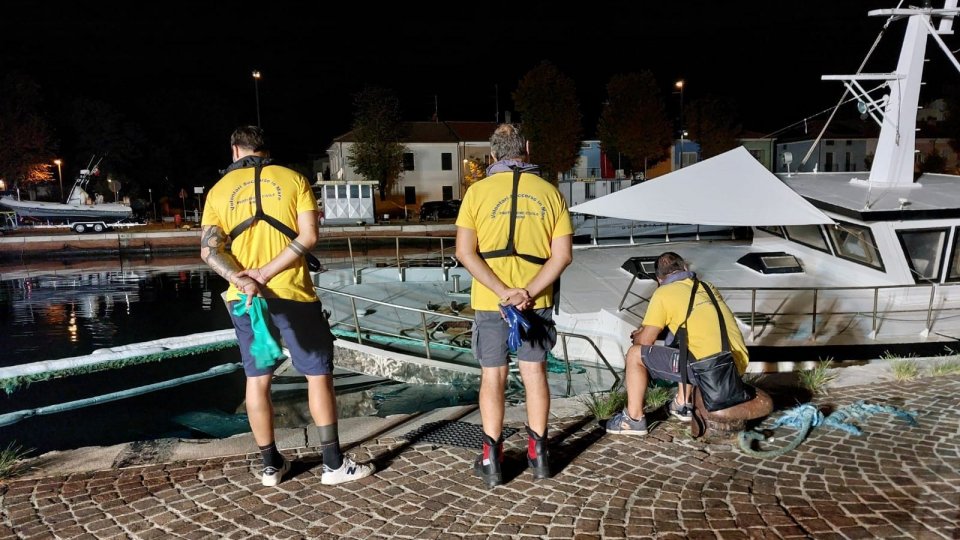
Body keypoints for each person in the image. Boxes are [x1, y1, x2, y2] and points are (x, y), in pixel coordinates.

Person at [200, 126, 374, 487]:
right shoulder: (294, 179)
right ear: (266, 149)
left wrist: (244, 279)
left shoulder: (218, 190)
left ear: (234, 150)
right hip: (293, 293)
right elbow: (308, 236)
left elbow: (210, 250)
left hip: (245, 300)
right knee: (317, 374)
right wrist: (266, 272)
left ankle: (270, 466)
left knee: (257, 379)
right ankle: (333, 464)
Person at [455, 123, 573, 487]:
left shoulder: (476, 193)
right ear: (527, 149)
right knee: (534, 372)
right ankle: (539, 454)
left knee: (493, 376)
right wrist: (528, 292)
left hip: (492, 302)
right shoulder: (551, 193)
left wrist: (504, 291)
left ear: (492, 155)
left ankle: (492, 458)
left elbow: (464, 252)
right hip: (535, 303)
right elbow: (563, 255)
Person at [606, 252, 750, 435]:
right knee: (683, 340)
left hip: (711, 371)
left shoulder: (663, 293)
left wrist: (639, 335)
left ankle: (632, 420)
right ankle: (683, 403)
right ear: (685, 269)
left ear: (659, 279)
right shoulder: (707, 287)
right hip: (735, 364)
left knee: (635, 354)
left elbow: (645, 341)